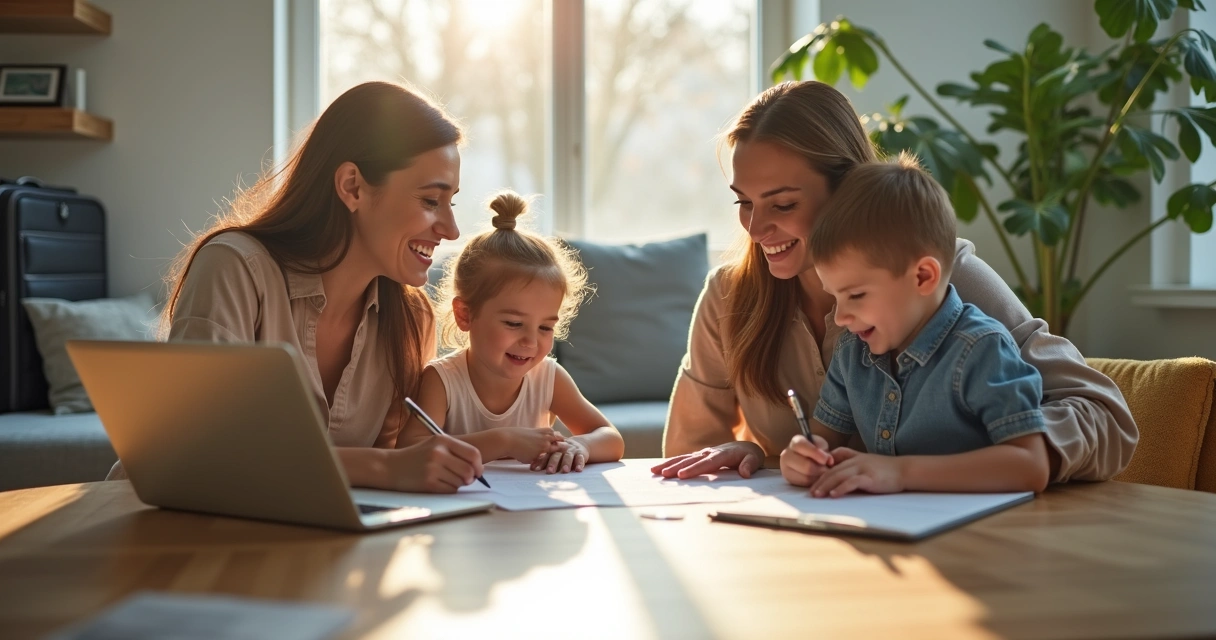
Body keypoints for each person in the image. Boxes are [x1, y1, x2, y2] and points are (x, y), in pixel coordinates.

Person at [651, 80, 1137, 483]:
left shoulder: (939, 279)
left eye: (782, 204)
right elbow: (685, 458)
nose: (755, 230)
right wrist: (757, 457)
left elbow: (1106, 418)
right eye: (743, 202)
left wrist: (1006, 449)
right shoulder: (727, 296)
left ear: (848, 190)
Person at [108, 81, 485, 493]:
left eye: (452, 203)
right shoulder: (236, 267)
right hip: (163, 527)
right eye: (431, 201)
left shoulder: (413, 318)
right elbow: (195, 451)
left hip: (301, 537)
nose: (451, 230)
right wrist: (385, 467)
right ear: (352, 187)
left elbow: (394, 470)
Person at [781, 155, 1050, 497]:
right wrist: (803, 457)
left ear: (923, 276)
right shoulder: (852, 353)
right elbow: (822, 439)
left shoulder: (982, 348)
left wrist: (901, 472)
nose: (840, 318)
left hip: (983, 537)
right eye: (835, 297)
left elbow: (1031, 465)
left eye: (856, 295)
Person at [398, 191, 625, 473]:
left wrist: (582, 446)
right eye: (514, 324)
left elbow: (611, 438)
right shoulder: (442, 380)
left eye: (545, 327)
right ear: (465, 315)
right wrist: (503, 441)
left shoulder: (549, 378)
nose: (530, 341)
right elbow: (409, 450)